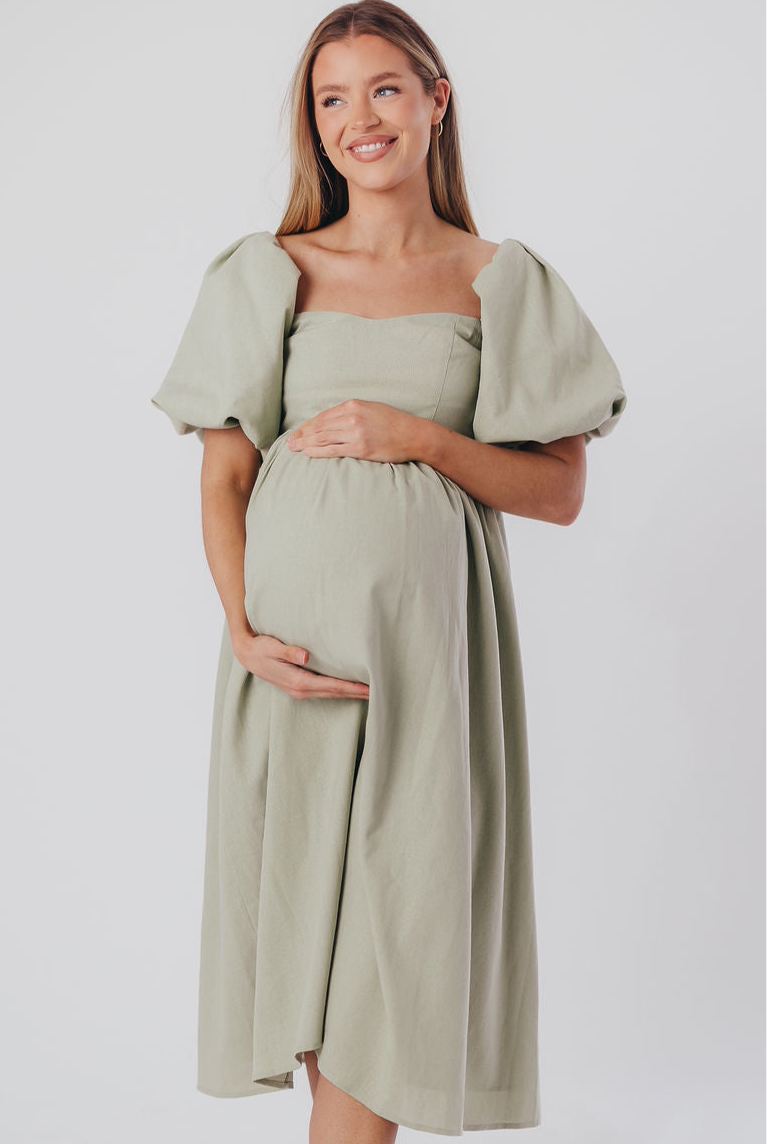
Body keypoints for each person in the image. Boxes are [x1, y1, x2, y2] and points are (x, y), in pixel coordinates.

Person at [150, 2, 627, 1140]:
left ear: (433, 101)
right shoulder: (269, 273)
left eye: (381, 89)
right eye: (330, 98)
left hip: (425, 680)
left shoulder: (499, 279)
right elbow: (224, 477)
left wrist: (419, 438)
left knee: (390, 980)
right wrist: (243, 629)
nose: (356, 118)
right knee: (319, 998)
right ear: (312, 124)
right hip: (291, 670)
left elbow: (557, 489)